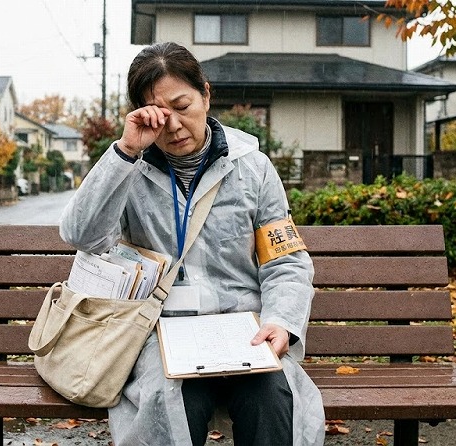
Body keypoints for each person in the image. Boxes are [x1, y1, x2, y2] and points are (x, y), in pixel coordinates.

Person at [59, 42, 325, 446]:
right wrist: (127, 150)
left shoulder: (251, 167)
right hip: (165, 333)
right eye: (161, 115)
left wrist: (281, 322)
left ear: (206, 93)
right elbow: (82, 235)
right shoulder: (130, 169)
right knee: (170, 403)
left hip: (245, 332)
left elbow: (285, 259)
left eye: (183, 106)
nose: (175, 126)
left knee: (271, 399)